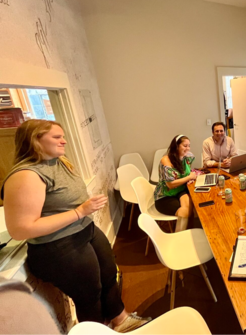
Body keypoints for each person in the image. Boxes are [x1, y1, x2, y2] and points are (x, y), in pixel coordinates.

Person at [1, 120, 149, 332]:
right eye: (57, 137)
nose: (64, 141)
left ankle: (121, 320)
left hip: (85, 230)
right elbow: (21, 229)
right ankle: (98, 330)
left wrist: (83, 213)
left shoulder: (59, 161)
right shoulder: (26, 175)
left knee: (109, 275)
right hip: (58, 246)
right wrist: (79, 211)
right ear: (35, 140)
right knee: (89, 294)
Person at [154, 134, 196, 231]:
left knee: (189, 207)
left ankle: (188, 232)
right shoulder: (166, 160)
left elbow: (186, 173)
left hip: (180, 190)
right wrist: (189, 177)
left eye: (189, 145)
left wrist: (189, 178)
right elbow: (170, 184)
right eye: (185, 146)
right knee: (185, 212)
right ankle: (178, 237)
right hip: (164, 195)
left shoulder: (186, 157)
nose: (188, 148)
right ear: (176, 146)